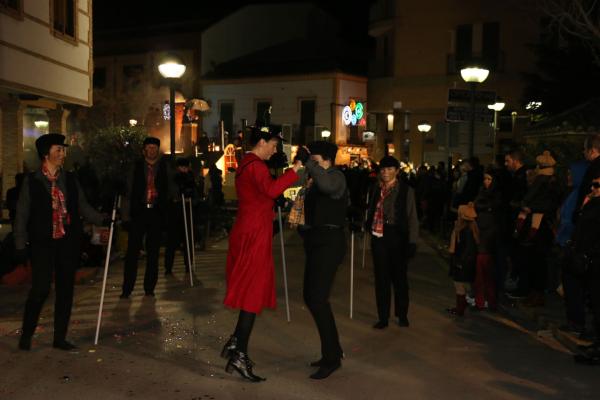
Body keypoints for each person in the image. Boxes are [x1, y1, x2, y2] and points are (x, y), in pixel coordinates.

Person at [221, 127, 302, 382]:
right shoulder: (255, 165)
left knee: (250, 290)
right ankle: (239, 354)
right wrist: (295, 170)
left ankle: (236, 344)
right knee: (252, 294)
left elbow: (262, 195)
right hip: (253, 235)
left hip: (249, 231)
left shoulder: (248, 163)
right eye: (274, 145)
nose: (276, 150)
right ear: (262, 142)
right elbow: (270, 190)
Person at [15, 133, 106, 351]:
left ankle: (60, 338)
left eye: (63, 150)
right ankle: (26, 334)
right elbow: (21, 215)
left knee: (66, 290)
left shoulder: (71, 179)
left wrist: (103, 218)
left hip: (67, 241)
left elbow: (83, 206)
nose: (63, 154)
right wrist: (20, 245)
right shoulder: (32, 181)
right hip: (42, 243)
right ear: (46, 154)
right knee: (41, 288)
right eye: (58, 149)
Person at [294, 141, 347, 380]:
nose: (310, 162)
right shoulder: (314, 178)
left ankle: (332, 357)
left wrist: (310, 165)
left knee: (318, 298)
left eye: (313, 158)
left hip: (330, 242)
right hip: (316, 241)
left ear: (324, 158)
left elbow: (326, 186)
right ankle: (333, 351)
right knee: (310, 296)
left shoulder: (336, 177)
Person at [365, 156, 418, 329]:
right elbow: (371, 210)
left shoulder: (405, 190)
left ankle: (402, 314)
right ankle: (383, 317)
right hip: (379, 235)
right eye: (383, 169)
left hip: (397, 235)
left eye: (389, 169)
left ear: (396, 171)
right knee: (381, 279)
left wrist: (412, 242)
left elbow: (412, 218)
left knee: (399, 278)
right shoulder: (375, 188)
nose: (385, 172)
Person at [120, 137, 169, 298]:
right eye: (149, 147)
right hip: (139, 212)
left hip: (156, 212)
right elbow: (127, 191)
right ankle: (127, 288)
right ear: (144, 150)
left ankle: (149, 288)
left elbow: (170, 189)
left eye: (154, 148)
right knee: (132, 252)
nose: (152, 150)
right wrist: (125, 216)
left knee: (153, 253)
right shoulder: (135, 167)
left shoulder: (164, 167)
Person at [572, 171, 600, 365]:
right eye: (592, 185)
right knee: (595, 305)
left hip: (596, 260)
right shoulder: (592, 204)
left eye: (597, 185)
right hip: (591, 261)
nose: (592, 189)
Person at [473, 169, 501, 310]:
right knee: (480, 271)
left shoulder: (497, 194)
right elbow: (477, 206)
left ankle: (490, 301)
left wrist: (485, 208)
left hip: (490, 235)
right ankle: (480, 301)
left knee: (487, 270)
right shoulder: (481, 192)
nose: (486, 182)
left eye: (489, 179)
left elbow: (492, 207)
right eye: (485, 179)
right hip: (481, 231)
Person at [164, 158, 197, 276]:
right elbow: (172, 191)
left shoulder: (190, 176)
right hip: (175, 210)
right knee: (172, 240)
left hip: (187, 208)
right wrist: (179, 193)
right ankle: (168, 266)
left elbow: (194, 191)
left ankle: (189, 264)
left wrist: (191, 194)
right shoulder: (173, 177)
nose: (184, 169)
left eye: (186, 167)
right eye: (182, 167)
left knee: (188, 238)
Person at [447, 203, 479, 316]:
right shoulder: (467, 229)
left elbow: (467, 249)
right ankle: (460, 307)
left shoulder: (466, 231)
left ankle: (460, 309)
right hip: (464, 262)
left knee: (459, 286)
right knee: (461, 285)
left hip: (463, 263)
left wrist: (460, 262)